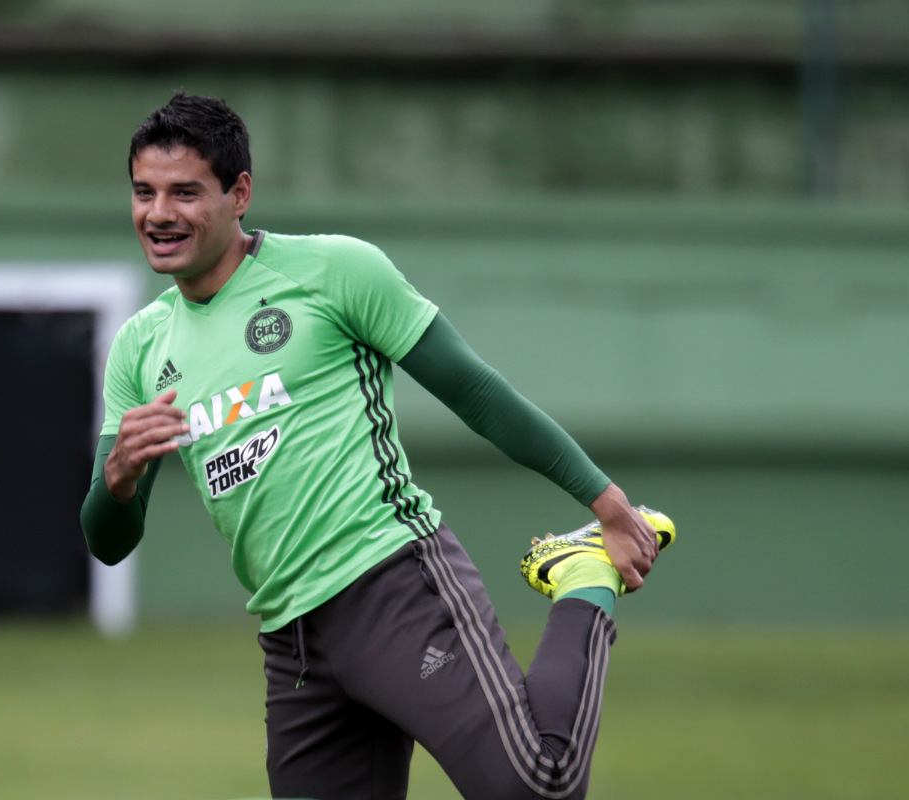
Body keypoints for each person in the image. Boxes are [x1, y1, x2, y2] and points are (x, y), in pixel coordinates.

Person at [80, 91, 675, 800]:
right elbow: (108, 541)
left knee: (534, 789)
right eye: (144, 193)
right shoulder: (141, 348)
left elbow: (476, 393)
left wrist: (604, 501)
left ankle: (581, 579)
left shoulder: (334, 272)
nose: (159, 214)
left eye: (185, 192)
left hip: (392, 587)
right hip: (292, 639)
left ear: (240, 194)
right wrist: (117, 479)